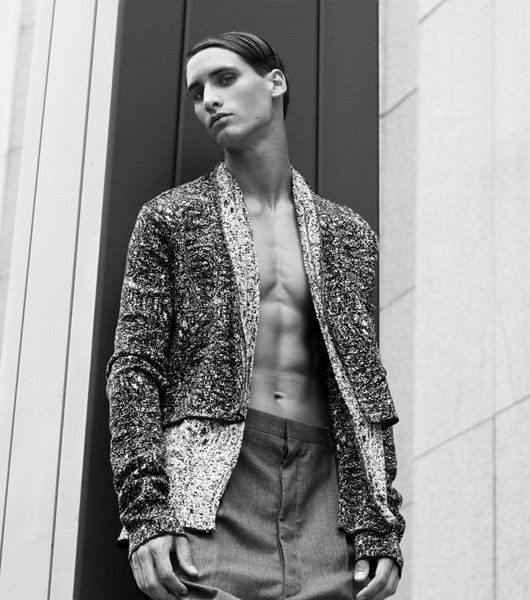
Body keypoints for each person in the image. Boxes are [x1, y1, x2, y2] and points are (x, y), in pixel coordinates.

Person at [106, 31, 404, 600]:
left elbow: (366, 385)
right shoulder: (171, 218)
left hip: (328, 489)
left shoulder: (349, 233)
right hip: (216, 484)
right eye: (198, 92)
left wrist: (381, 523)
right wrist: (146, 513)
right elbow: (135, 369)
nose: (210, 100)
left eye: (224, 79)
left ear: (275, 82)